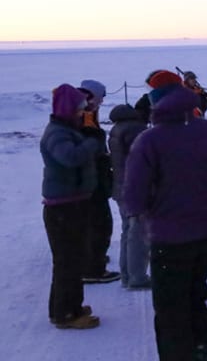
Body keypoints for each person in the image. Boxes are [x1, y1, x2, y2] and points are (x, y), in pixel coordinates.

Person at [124, 70, 207, 360]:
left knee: (170, 310)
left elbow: (134, 197)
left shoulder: (149, 141)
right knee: (196, 300)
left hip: (169, 238)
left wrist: (154, 210)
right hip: (206, 233)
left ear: (155, 102)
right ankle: (202, 354)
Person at [41, 84, 100, 329]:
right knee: (67, 260)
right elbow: (70, 158)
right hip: (62, 206)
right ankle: (65, 313)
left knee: (74, 258)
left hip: (72, 201)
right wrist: (92, 141)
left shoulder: (66, 129)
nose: (81, 112)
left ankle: (71, 307)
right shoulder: (57, 133)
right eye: (78, 108)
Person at [108, 93, 152, 289]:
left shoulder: (119, 126)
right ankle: (137, 277)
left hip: (120, 186)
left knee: (128, 230)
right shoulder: (136, 129)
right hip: (134, 188)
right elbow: (144, 160)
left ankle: (127, 274)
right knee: (139, 234)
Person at [79, 79, 120, 284]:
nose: (102, 101)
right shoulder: (84, 116)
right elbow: (88, 147)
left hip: (91, 178)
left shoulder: (84, 112)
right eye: (101, 97)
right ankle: (93, 268)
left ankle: (92, 259)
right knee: (99, 224)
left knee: (93, 223)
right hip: (91, 179)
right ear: (92, 96)